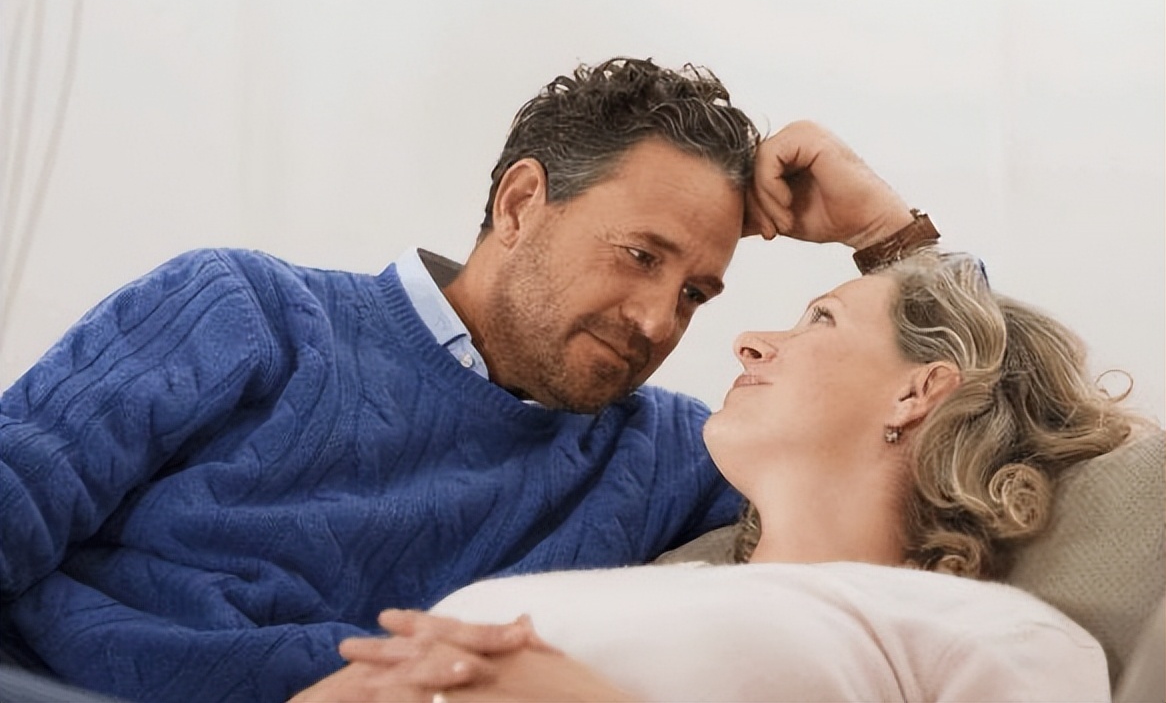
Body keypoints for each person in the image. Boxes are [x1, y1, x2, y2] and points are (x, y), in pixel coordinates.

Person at [0, 58, 930, 702]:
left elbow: (974, 442)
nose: (657, 321)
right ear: (521, 202)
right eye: (639, 255)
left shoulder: (658, 456)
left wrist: (888, 235)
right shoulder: (244, 310)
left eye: (694, 292)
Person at [308, 249, 1138, 703]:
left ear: (919, 389)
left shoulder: (984, 633)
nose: (745, 340)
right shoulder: (644, 580)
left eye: (820, 319)